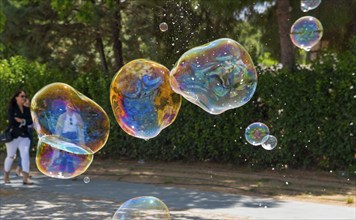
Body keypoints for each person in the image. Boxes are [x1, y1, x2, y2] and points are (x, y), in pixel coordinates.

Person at [4, 90, 33, 184]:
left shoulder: (27, 109)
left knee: (25, 156)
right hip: (13, 136)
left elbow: (29, 121)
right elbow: (12, 121)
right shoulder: (12, 108)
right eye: (22, 96)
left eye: (25, 96)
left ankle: (25, 178)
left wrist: (22, 121)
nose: (24, 98)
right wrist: (21, 121)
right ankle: (6, 175)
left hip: (24, 136)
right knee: (11, 156)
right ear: (16, 97)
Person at [15, 98, 34, 177]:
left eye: (28, 104)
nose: (28, 105)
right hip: (24, 132)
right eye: (26, 104)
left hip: (29, 132)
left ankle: (19, 169)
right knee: (25, 152)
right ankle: (25, 172)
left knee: (25, 152)